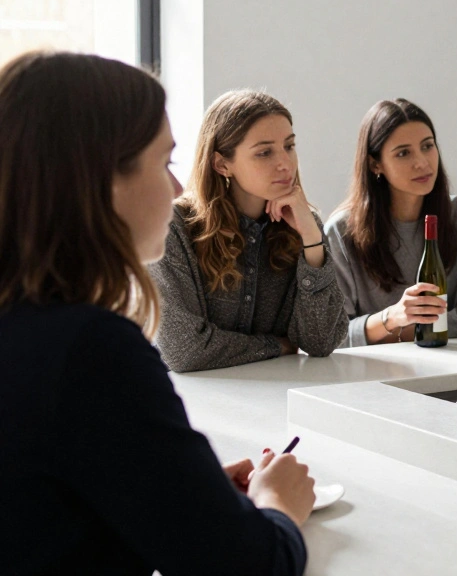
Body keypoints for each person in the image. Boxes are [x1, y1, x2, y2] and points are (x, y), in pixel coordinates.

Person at [0, 51, 314, 574]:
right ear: (102, 179)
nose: (175, 189)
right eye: (164, 163)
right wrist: (278, 502)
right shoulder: (91, 348)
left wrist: (178, 483)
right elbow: (251, 565)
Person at [150, 89, 346, 372]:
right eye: (264, 152)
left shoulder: (303, 225)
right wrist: (277, 345)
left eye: (289, 146)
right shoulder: (176, 227)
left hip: (272, 399)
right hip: (188, 403)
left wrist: (312, 242)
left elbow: (321, 342)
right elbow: (185, 351)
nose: (284, 163)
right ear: (222, 164)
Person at [326, 99, 457, 345]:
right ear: (375, 164)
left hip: (452, 369)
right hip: (370, 375)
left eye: (427, 146)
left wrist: (401, 329)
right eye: (403, 153)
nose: (422, 162)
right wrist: (392, 317)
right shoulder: (341, 232)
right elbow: (331, 335)